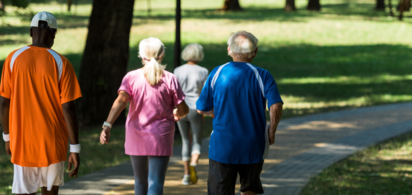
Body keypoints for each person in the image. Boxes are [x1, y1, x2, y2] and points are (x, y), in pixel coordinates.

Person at [0, 11, 82, 195]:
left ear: (31, 31)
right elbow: (68, 107)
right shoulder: (62, 63)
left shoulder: (13, 58)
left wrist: (8, 138)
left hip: (22, 142)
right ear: (53, 33)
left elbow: (4, 103)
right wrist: (74, 148)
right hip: (53, 143)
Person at [197, 31, 284, 195]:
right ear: (255, 52)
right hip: (253, 144)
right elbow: (276, 105)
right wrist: (272, 130)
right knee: (250, 190)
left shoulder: (217, 73)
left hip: (222, 146)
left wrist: (218, 111)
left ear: (229, 50)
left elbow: (202, 108)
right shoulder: (263, 75)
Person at [99, 37, 189, 195]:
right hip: (161, 136)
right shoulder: (170, 79)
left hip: (136, 134)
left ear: (141, 56)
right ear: (162, 55)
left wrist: (107, 125)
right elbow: (183, 109)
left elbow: (121, 101)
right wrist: (177, 113)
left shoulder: (131, 77)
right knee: (156, 182)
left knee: (139, 182)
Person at [174, 43, 209, 185]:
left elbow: (174, 90)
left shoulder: (177, 70)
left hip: (181, 108)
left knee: (185, 141)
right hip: (196, 108)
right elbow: (205, 93)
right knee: (196, 140)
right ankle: (194, 163)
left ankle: (186, 175)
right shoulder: (203, 71)